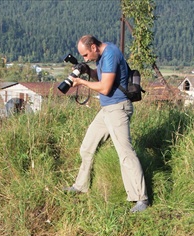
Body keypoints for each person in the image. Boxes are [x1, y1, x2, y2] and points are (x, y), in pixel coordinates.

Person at [64, 35, 149, 213]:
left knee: (125, 154)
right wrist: (88, 71)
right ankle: (81, 186)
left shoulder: (111, 54)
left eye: (86, 55)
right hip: (107, 110)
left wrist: (80, 82)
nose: (85, 58)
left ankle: (141, 199)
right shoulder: (103, 55)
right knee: (87, 147)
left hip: (118, 109)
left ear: (94, 47)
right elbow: (103, 77)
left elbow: (105, 88)